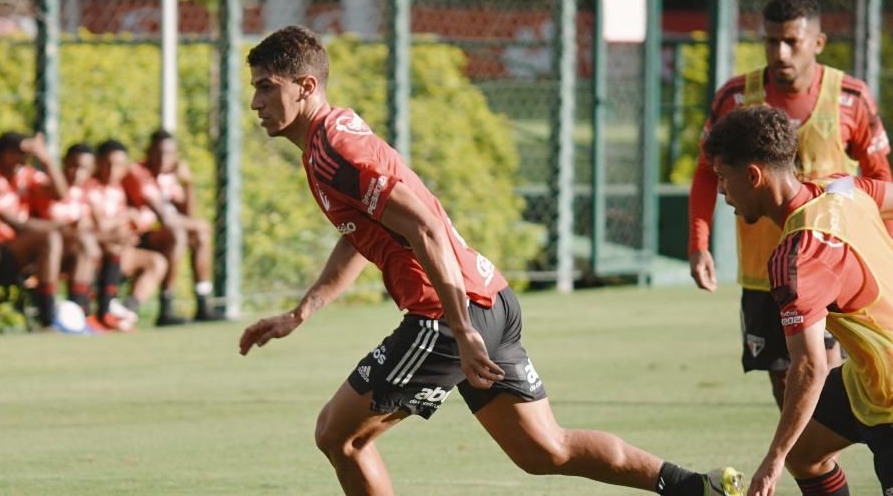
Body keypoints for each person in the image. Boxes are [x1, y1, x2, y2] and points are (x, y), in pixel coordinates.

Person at [237, 25, 744, 496]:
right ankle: (698, 488)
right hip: (490, 299)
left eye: (266, 87)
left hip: (447, 316)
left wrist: (460, 330)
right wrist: (302, 311)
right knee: (545, 449)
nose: (256, 102)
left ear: (305, 85)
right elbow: (362, 234)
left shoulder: (335, 150)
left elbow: (426, 227)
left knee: (338, 435)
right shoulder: (332, 139)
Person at [687, 0, 891, 408]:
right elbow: (708, 171)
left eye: (791, 41)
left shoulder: (849, 96)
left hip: (833, 266)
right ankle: (811, 465)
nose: (779, 52)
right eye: (770, 40)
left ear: (817, 42)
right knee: (788, 387)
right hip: (765, 271)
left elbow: (879, 179)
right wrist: (698, 243)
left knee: (829, 383)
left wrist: (882, 250)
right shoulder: (735, 98)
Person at [703, 105, 893, 496]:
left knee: (788, 453)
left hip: (890, 396)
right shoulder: (844, 188)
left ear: (753, 175)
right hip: (867, 380)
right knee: (804, 453)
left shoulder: (796, 258)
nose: (721, 192)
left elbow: (809, 367)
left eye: (723, 178)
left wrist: (770, 461)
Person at [121, 130, 221, 325]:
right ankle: (166, 307)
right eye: (158, 152)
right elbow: (164, 217)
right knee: (181, 232)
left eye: (169, 153)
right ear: (148, 151)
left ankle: (203, 302)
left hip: (166, 235)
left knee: (199, 236)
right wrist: (200, 225)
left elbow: (187, 214)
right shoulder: (137, 173)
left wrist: (189, 183)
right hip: (140, 236)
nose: (163, 158)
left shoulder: (169, 178)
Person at [86, 139, 168, 331]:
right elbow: (101, 224)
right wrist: (127, 216)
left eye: (119, 164)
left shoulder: (119, 189)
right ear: (99, 162)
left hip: (121, 249)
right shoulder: (91, 187)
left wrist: (129, 230)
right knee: (113, 247)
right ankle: (106, 311)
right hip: (96, 252)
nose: (113, 169)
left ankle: (127, 311)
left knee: (157, 262)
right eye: (109, 163)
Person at [0, 131, 64, 328]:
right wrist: (61, 227)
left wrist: (46, 159)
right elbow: (17, 225)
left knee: (77, 243)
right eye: (19, 152)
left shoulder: (26, 175)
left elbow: (60, 193)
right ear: (3, 153)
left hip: (18, 250)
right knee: (49, 237)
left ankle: (84, 314)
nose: (24, 158)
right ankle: (48, 319)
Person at [29, 143, 103, 318]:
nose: (77, 173)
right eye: (73, 165)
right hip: (41, 254)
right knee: (81, 242)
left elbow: (95, 227)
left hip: (72, 254)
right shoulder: (45, 186)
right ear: (64, 163)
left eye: (84, 168)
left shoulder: (87, 194)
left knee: (89, 245)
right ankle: (49, 316)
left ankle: (79, 313)